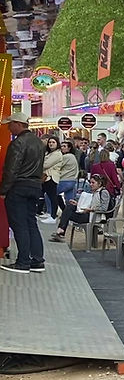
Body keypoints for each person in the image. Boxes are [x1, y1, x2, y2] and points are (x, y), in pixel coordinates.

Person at [0, 112, 46, 274]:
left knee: (19, 225)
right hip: (34, 186)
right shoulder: (39, 143)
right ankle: (37, 260)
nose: (8, 127)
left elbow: (11, 169)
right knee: (30, 222)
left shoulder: (18, 143)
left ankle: (23, 262)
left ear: (18, 124)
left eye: (10, 124)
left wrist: (3, 190)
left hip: (18, 187)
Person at [49, 174, 112, 242]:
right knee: (70, 207)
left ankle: (60, 232)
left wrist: (90, 210)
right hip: (89, 214)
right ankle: (60, 231)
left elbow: (104, 208)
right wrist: (78, 204)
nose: (91, 184)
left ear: (99, 184)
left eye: (93, 183)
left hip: (94, 216)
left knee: (67, 212)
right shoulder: (95, 192)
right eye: (90, 182)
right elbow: (91, 204)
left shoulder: (103, 192)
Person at [40, 136, 64, 223]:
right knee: (47, 195)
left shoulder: (57, 154)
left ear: (57, 143)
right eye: (50, 142)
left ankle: (53, 216)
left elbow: (45, 164)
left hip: (51, 177)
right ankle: (48, 213)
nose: (51, 144)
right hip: (45, 177)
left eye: (53, 142)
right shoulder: (48, 153)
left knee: (52, 197)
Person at [56, 141, 80, 217]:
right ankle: (70, 215)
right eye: (61, 146)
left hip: (65, 180)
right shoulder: (73, 156)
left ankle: (51, 213)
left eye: (64, 146)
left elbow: (57, 165)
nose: (62, 148)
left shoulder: (66, 157)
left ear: (69, 148)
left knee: (49, 194)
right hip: (72, 180)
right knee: (70, 200)